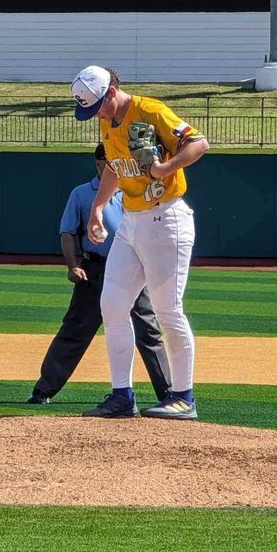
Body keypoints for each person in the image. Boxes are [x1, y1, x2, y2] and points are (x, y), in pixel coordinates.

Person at [72, 66, 209, 420]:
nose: (96, 113)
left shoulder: (150, 111)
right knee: (112, 305)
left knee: (167, 310)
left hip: (166, 219)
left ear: (112, 91)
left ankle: (184, 397)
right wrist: (98, 208)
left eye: (98, 105)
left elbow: (199, 143)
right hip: (132, 222)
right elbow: (115, 168)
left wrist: (167, 167)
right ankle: (122, 395)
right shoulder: (108, 121)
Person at [27, 143, 172, 406]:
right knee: (76, 329)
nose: (118, 165)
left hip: (133, 268)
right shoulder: (82, 194)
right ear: (98, 163)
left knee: (148, 330)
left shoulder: (134, 191)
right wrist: (73, 266)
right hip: (96, 269)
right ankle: (44, 389)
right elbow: (68, 233)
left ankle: (169, 393)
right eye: (111, 160)